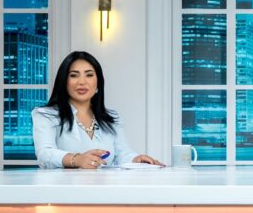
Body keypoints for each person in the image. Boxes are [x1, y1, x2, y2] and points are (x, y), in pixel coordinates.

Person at [32, 51, 163, 169]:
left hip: (104, 187)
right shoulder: (45, 115)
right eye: (74, 75)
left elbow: (122, 154)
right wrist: (77, 159)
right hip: (63, 187)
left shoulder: (111, 117)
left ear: (98, 83)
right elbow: (44, 154)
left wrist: (137, 160)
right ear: (63, 82)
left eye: (89, 75)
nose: (82, 82)